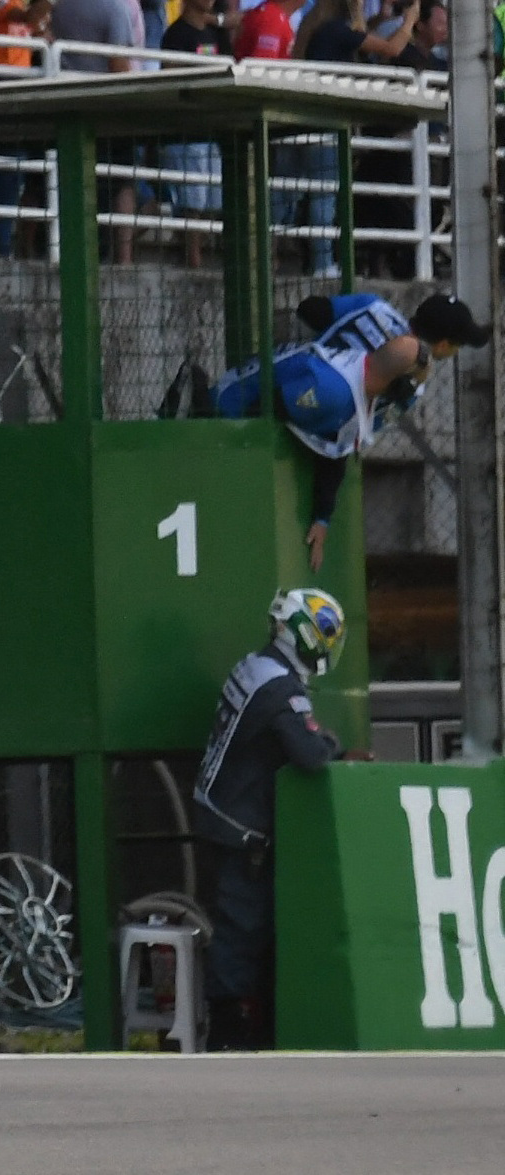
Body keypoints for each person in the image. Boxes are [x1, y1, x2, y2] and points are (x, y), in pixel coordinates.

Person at [213, 292, 491, 571]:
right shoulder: (410, 387)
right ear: (442, 345)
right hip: (302, 419)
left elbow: (310, 309)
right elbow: (349, 434)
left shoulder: (373, 307)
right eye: (457, 345)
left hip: (271, 388)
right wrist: (322, 516)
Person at [194, 588, 349, 1051]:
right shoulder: (281, 687)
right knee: (243, 932)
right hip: (240, 829)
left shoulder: (256, 666)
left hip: (219, 813)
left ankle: (238, 1026)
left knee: (240, 928)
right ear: (306, 634)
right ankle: (229, 1035)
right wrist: (333, 744)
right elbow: (310, 754)